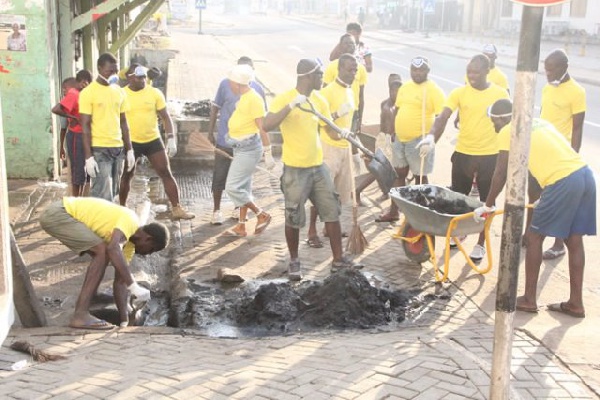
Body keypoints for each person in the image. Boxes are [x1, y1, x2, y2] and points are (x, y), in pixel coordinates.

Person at [475, 99, 595, 319]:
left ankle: (529, 299)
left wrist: (488, 204)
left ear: (501, 118)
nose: (493, 126)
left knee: (533, 237)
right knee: (574, 240)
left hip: (562, 181)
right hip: (584, 175)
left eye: (493, 121)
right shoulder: (539, 122)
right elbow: (547, 157)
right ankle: (576, 303)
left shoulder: (508, 129)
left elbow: (500, 172)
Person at [264, 58, 362, 281]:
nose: (322, 79)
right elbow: (267, 125)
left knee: (332, 210)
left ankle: (338, 260)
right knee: (293, 216)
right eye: (319, 75)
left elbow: (329, 130)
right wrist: (290, 106)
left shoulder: (319, 99)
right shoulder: (285, 98)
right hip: (295, 170)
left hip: (318, 167)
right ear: (307, 76)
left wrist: (344, 134)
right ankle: (295, 261)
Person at [418, 54, 509, 261]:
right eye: (469, 71)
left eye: (476, 72)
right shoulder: (460, 92)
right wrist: (431, 137)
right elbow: (443, 117)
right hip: (464, 153)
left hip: (490, 155)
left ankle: (481, 243)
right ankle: (459, 232)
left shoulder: (500, 93)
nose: (471, 75)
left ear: (487, 71)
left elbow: (508, 121)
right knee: (458, 197)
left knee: (487, 202)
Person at [39, 197, 170, 329]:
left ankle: (92, 297)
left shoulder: (129, 246)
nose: (148, 254)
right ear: (148, 239)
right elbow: (113, 248)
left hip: (63, 216)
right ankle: (80, 315)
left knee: (103, 253)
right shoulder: (131, 220)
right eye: (151, 250)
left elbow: (120, 282)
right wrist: (133, 285)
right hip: (58, 213)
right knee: (102, 252)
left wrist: (125, 320)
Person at [528, 49, 587, 260]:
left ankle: (558, 244)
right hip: (541, 150)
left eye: (551, 69)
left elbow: (578, 127)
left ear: (564, 68)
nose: (548, 73)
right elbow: (543, 115)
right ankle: (530, 234)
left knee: (558, 202)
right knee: (533, 194)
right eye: (546, 69)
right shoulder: (547, 88)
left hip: (560, 156)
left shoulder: (577, 92)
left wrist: (572, 155)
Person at [117, 65, 194, 220]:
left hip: (152, 139)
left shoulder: (154, 93)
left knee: (165, 172)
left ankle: (177, 208)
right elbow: (118, 119)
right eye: (139, 77)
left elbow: (165, 117)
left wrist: (171, 138)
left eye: (144, 76)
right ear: (130, 77)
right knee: (127, 175)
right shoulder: (122, 94)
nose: (143, 80)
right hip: (131, 142)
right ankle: (122, 208)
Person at [376, 56, 446, 222]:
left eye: (421, 70)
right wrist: (393, 131)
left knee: (420, 177)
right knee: (398, 175)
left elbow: (441, 118)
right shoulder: (405, 87)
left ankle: (420, 215)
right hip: (400, 139)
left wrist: (432, 140)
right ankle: (394, 210)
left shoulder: (434, 90)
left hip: (419, 140)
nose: (417, 73)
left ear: (428, 71)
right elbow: (398, 110)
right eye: (414, 70)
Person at [306, 53, 357, 248]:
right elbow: (319, 120)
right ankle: (311, 230)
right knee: (321, 191)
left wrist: (353, 145)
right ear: (339, 69)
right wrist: (336, 114)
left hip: (345, 147)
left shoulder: (350, 92)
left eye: (355, 70)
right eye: (349, 69)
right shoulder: (327, 92)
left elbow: (350, 121)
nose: (352, 73)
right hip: (328, 147)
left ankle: (329, 228)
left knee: (339, 194)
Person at [208, 56, 266, 225]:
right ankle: (216, 210)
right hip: (226, 141)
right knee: (220, 175)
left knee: (242, 182)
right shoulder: (225, 84)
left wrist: (265, 148)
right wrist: (211, 131)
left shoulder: (256, 92)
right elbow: (215, 107)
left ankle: (241, 212)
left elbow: (261, 122)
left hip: (246, 145)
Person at [221, 64, 273, 237]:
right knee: (243, 187)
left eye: (230, 82)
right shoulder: (244, 96)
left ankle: (261, 214)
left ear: (236, 83)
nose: (229, 85)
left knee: (233, 187)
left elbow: (262, 127)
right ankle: (241, 226)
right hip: (241, 147)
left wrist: (268, 152)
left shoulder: (254, 99)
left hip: (249, 149)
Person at [79, 53, 135, 202]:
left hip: (118, 148)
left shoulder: (119, 92)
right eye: (109, 71)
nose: (113, 74)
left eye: (115, 71)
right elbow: (84, 126)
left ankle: (106, 222)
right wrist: (88, 157)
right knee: (103, 192)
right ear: (99, 68)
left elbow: (124, 122)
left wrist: (129, 149)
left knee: (114, 191)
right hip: (99, 149)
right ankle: (99, 224)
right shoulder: (88, 93)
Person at [355, 73, 402, 206]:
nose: (398, 94)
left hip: (384, 140)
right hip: (388, 142)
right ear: (390, 90)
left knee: (382, 171)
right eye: (395, 90)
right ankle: (358, 190)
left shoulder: (389, 105)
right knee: (380, 171)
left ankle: (388, 195)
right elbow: (391, 131)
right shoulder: (390, 108)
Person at [51, 70, 93, 197]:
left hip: (86, 135)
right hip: (77, 136)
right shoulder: (74, 94)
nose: (64, 92)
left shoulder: (84, 94)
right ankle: (76, 201)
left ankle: (81, 199)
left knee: (86, 170)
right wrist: (73, 118)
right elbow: (56, 109)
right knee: (78, 171)